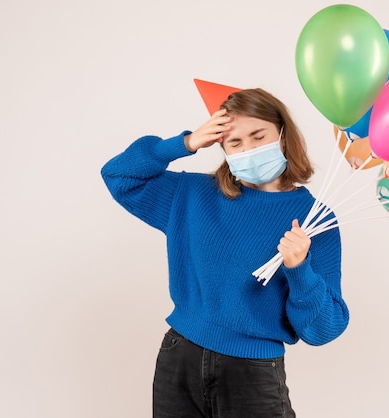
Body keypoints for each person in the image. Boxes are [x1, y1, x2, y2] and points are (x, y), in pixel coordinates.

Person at [101, 88, 350, 417]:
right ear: (222, 148)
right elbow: (118, 175)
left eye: (259, 136)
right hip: (180, 358)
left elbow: (323, 330)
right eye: (235, 143)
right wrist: (185, 143)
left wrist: (299, 269)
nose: (249, 149)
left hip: (253, 371)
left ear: (283, 135)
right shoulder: (192, 194)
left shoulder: (315, 220)